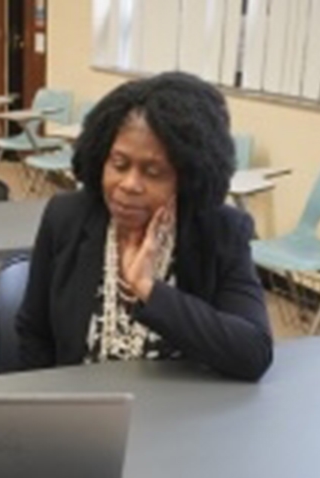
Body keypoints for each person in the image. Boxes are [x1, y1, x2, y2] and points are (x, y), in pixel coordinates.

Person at [16, 72, 273, 381]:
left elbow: (253, 353)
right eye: (119, 165)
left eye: (153, 172)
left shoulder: (221, 231)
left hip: (182, 416)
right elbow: (33, 334)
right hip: (83, 412)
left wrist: (148, 289)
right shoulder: (67, 217)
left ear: (187, 177)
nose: (129, 185)